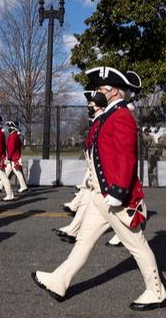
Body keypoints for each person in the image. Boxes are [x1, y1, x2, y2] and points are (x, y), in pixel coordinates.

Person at [32, 67, 166, 311]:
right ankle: (59, 281)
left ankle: (157, 292)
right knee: (83, 241)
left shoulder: (122, 116)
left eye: (102, 89)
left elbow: (126, 157)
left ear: (114, 91)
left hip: (115, 197)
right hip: (100, 194)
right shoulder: (108, 115)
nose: (98, 93)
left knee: (136, 245)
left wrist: (117, 192)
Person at [52, 90, 122, 248]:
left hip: (102, 173)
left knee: (116, 212)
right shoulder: (97, 121)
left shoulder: (103, 121)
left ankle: (76, 231)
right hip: (94, 170)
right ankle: (73, 230)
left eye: (91, 103)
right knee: (88, 202)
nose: (88, 106)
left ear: (98, 105)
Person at [0, 120, 28, 193]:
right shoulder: (15, 135)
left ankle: (23, 186)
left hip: (13, 158)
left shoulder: (13, 136)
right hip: (14, 157)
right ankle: (0, 185)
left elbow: (11, 148)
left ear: (14, 127)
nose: (9, 128)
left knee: (17, 173)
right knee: (8, 172)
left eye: (11, 126)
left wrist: (9, 157)